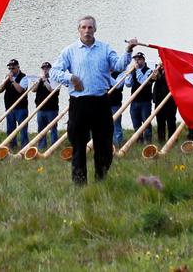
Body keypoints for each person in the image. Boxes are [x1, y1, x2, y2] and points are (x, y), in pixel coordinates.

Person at [49, 16, 138, 185]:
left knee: (104, 144)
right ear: (79, 30)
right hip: (79, 103)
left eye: (90, 27)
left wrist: (128, 50)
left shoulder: (105, 49)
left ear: (95, 29)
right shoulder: (69, 51)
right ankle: (80, 183)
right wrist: (71, 77)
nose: (87, 31)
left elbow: (118, 66)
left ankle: (101, 180)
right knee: (78, 145)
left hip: (101, 102)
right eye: (83, 27)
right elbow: (54, 72)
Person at [1, 60, 32, 149]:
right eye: (9, 68)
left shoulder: (24, 77)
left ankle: (24, 146)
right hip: (9, 107)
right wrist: (5, 81)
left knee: (22, 129)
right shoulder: (7, 77)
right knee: (10, 128)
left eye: (13, 68)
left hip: (20, 108)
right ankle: (12, 146)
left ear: (18, 67)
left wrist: (13, 81)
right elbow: (0, 90)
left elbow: (20, 90)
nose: (11, 69)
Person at [127, 52, 154, 144]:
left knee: (146, 123)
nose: (137, 61)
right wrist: (130, 73)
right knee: (136, 123)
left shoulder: (149, 71)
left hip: (145, 102)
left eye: (139, 59)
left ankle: (148, 141)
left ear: (143, 60)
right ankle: (139, 142)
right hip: (134, 101)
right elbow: (128, 84)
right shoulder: (134, 71)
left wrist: (138, 70)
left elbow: (143, 82)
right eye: (135, 59)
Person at [151, 64, 179, 144]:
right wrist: (153, 75)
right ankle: (161, 141)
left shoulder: (172, 69)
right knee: (160, 122)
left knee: (171, 122)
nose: (161, 64)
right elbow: (151, 80)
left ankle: (172, 141)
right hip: (158, 101)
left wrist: (160, 76)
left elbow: (169, 81)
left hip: (170, 101)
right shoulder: (157, 69)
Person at [35, 62, 60, 150]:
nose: (45, 70)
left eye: (47, 68)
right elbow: (33, 90)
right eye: (43, 68)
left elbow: (51, 90)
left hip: (51, 109)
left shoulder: (55, 79)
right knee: (41, 129)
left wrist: (45, 80)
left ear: (50, 69)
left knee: (53, 128)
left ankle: (54, 147)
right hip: (40, 108)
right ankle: (42, 147)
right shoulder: (40, 79)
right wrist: (39, 81)